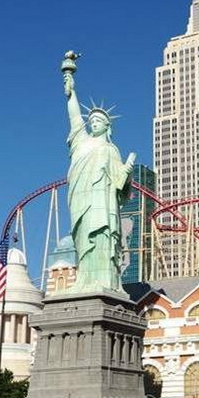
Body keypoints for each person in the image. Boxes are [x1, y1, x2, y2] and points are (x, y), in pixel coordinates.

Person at [61, 52, 135, 293]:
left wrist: (127, 172)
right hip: (81, 200)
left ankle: (107, 282)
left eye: (99, 120)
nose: (93, 122)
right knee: (83, 239)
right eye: (91, 119)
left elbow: (121, 187)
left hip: (103, 203)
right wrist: (70, 87)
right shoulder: (81, 141)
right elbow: (74, 116)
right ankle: (84, 281)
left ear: (107, 126)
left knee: (103, 237)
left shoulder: (111, 149)